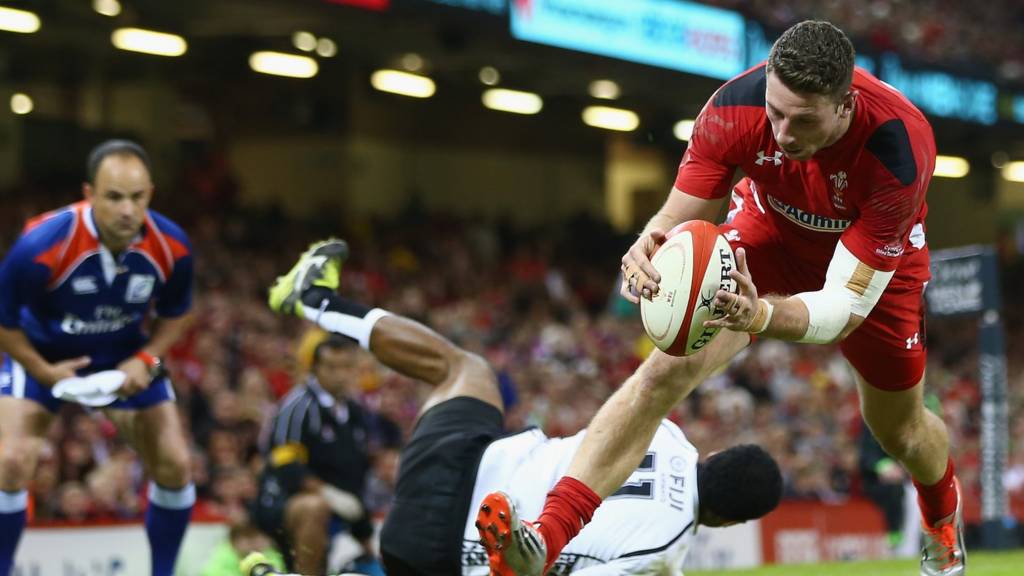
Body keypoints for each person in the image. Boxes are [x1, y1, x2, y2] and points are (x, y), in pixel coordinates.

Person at [482, 20, 963, 576]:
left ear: (845, 105)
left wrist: (760, 314)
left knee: (898, 430)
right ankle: (546, 539)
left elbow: (837, 311)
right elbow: (672, 221)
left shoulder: (899, 147)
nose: (782, 133)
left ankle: (940, 516)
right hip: (766, 234)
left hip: (872, 273)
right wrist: (648, 246)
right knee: (662, 372)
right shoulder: (734, 108)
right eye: (776, 112)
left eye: (803, 119)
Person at [264, 239, 783, 575]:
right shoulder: (663, 553)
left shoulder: (667, 433)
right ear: (729, 523)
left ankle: (318, 301)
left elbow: (679, 370)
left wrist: (754, 317)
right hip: (436, 557)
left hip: (461, 462)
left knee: (465, 369)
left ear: (716, 455)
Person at [0, 140, 195, 576]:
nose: (127, 210)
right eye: (114, 197)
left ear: (151, 194)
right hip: (42, 353)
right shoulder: (40, 244)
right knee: (10, 461)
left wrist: (146, 359)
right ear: (89, 194)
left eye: (137, 197)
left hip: (124, 353)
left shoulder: (173, 247)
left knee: (176, 462)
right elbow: (3, 322)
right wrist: (41, 371)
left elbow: (177, 315)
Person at [251, 329, 381, 575]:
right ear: (315, 369)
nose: (340, 375)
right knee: (315, 507)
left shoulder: (355, 412)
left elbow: (358, 469)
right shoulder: (298, 405)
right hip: (281, 502)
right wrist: (328, 493)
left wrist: (365, 534)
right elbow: (285, 464)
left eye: (346, 367)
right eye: (331, 367)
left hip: (342, 507)